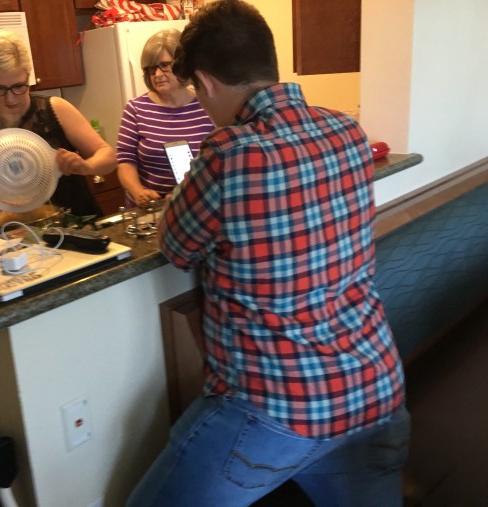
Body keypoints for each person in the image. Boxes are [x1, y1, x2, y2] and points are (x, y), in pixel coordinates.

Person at [128, 1, 410, 506]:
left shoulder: (228, 154)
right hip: (373, 387)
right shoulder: (347, 131)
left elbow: (176, 246)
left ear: (205, 82)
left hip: (272, 409)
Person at [0, 30, 115, 218]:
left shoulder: (56, 109)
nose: (10, 98)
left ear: (28, 76)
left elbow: (109, 157)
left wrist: (87, 166)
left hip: (77, 223)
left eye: (18, 86)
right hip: (17, 230)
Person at [116, 29, 214, 209]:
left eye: (165, 65)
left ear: (182, 65)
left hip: (196, 206)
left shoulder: (207, 105)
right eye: (151, 68)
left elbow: (217, 160)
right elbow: (125, 162)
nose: (158, 74)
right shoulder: (135, 109)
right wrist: (138, 192)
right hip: (150, 210)